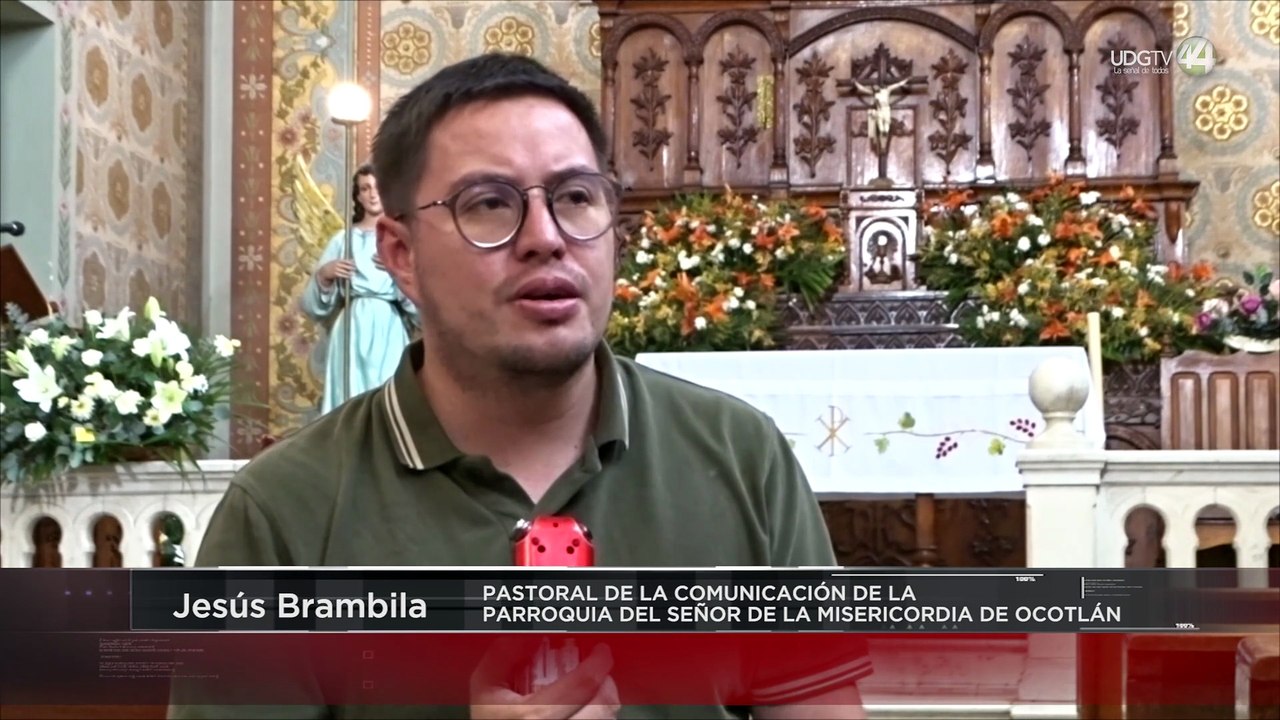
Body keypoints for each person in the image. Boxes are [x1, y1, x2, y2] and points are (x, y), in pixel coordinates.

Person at [170, 53, 870, 720]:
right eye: (489, 205)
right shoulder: (282, 513)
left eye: (575, 196)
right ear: (401, 255)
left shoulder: (740, 457)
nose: (546, 237)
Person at [300, 165, 417, 415]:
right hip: (352, 327)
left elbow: (421, 305)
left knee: (389, 394)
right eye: (365, 188)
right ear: (358, 196)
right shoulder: (343, 240)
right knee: (350, 394)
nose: (372, 194)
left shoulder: (402, 240)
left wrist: (398, 276)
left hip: (389, 327)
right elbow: (312, 306)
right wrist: (325, 275)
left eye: (377, 188)